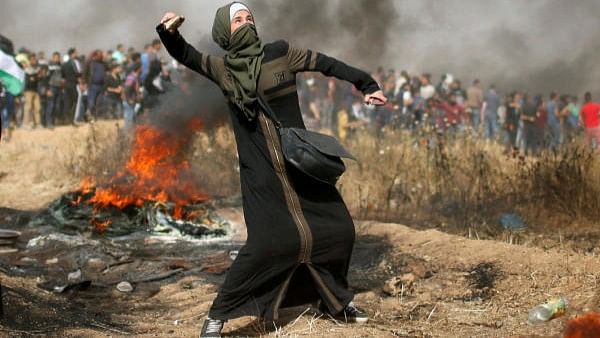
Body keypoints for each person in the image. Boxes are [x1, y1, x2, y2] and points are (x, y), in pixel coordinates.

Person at [157, 3, 387, 337]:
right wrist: (168, 32)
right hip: (261, 171)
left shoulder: (281, 54)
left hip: (301, 164)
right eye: (238, 20)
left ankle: (334, 300)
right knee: (267, 243)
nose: (246, 21)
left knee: (339, 230)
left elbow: (328, 64)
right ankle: (217, 316)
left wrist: (367, 84)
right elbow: (186, 54)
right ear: (225, 31)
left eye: (249, 17)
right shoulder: (222, 68)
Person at [62, 47, 81, 124]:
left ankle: (67, 119)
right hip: (72, 84)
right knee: (74, 101)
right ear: (72, 54)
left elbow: (63, 74)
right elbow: (76, 73)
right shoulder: (73, 63)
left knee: (68, 102)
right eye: (75, 53)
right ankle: (71, 119)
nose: (76, 54)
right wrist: (81, 75)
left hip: (67, 84)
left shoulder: (65, 64)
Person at [23, 53, 42, 129]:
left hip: (36, 90)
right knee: (28, 107)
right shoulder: (27, 69)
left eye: (35, 59)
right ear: (29, 60)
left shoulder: (37, 69)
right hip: (28, 91)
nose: (34, 60)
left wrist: (36, 78)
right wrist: (36, 78)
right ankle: (26, 123)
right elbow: (30, 80)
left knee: (38, 108)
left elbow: (37, 79)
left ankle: (38, 124)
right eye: (33, 59)